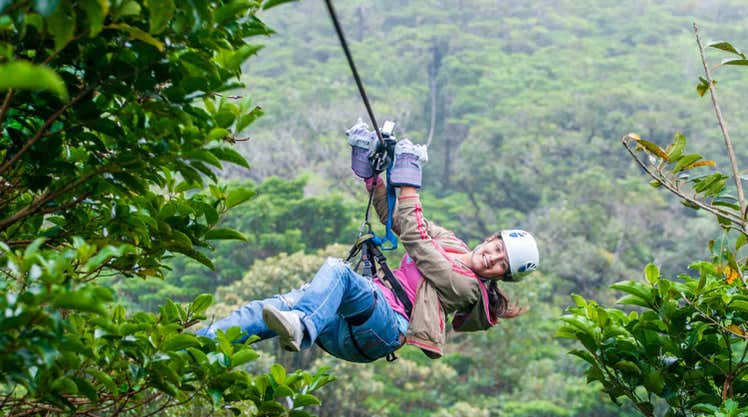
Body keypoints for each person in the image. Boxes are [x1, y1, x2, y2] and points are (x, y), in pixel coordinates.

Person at [197, 121, 539, 363]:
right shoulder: (451, 242)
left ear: (500, 277)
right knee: (266, 308)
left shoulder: (467, 288)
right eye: (496, 248)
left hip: (385, 326)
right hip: (355, 317)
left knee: (338, 273)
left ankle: (303, 326)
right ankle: (194, 348)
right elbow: (399, 220)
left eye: (501, 264)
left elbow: (418, 243)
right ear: (490, 239)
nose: (492, 258)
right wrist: (375, 178)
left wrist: (409, 179)